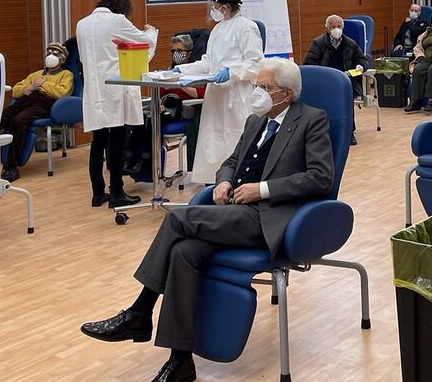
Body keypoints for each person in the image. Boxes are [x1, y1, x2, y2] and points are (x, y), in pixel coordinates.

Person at [80, 58, 333, 382]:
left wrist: (263, 190)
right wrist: (225, 181)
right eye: (257, 86)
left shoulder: (312, 120)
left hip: (268, 217)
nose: (257, 93)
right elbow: (230, 161)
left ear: (286, 94)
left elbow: (320, 177)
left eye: (264, 88)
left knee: (176, 220)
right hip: (232, 211)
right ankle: (180, 361)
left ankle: (139, 312)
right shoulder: (256, 121)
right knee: (183, 253)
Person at [77, 0, 158, 208]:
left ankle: (97, 193)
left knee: (98, 141)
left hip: (94, 90)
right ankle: (117, 191)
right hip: (116, 88)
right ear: (122, 5)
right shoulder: (118, 21)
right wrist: (151, 30)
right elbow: (145, 43)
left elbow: (84, 58)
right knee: (118, 140)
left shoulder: (82, 24)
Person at [173, 0, 263, 184]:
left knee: (235, 140)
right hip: (216, 94)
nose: (212, 10)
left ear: (225, 7)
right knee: (213, 141)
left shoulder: (247, 27)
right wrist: (183, 69)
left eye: (215, 6)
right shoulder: (217, 29)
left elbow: (255, 63)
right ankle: (214, 186)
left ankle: (238, 184)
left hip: (236, 94)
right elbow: (208, 62)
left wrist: (231, 72)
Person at [0, 42, 74, 182]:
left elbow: (62, 93)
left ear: (63, 58)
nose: (51, 55)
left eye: (55, 53)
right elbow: (16, 90)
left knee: (17, 121)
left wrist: (42, 84)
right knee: (2, 117)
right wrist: (30, 87)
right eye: (49, 52)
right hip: (29, 99)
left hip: (46, 103)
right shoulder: (36, 74)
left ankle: (11, 166)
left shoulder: (66, 75)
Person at [303, 14, 368, 145]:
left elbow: (362, 60)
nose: (336, 29)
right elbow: (308, 64)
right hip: (325, 82)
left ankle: (349, 133)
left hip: (346, 81)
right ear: (327, 28)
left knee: (346, 104)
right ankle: (323, 133)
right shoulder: (318, 43)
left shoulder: (350, 43)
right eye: (333, 27)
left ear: (343, 27)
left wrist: (362, 66)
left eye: (339, 26)